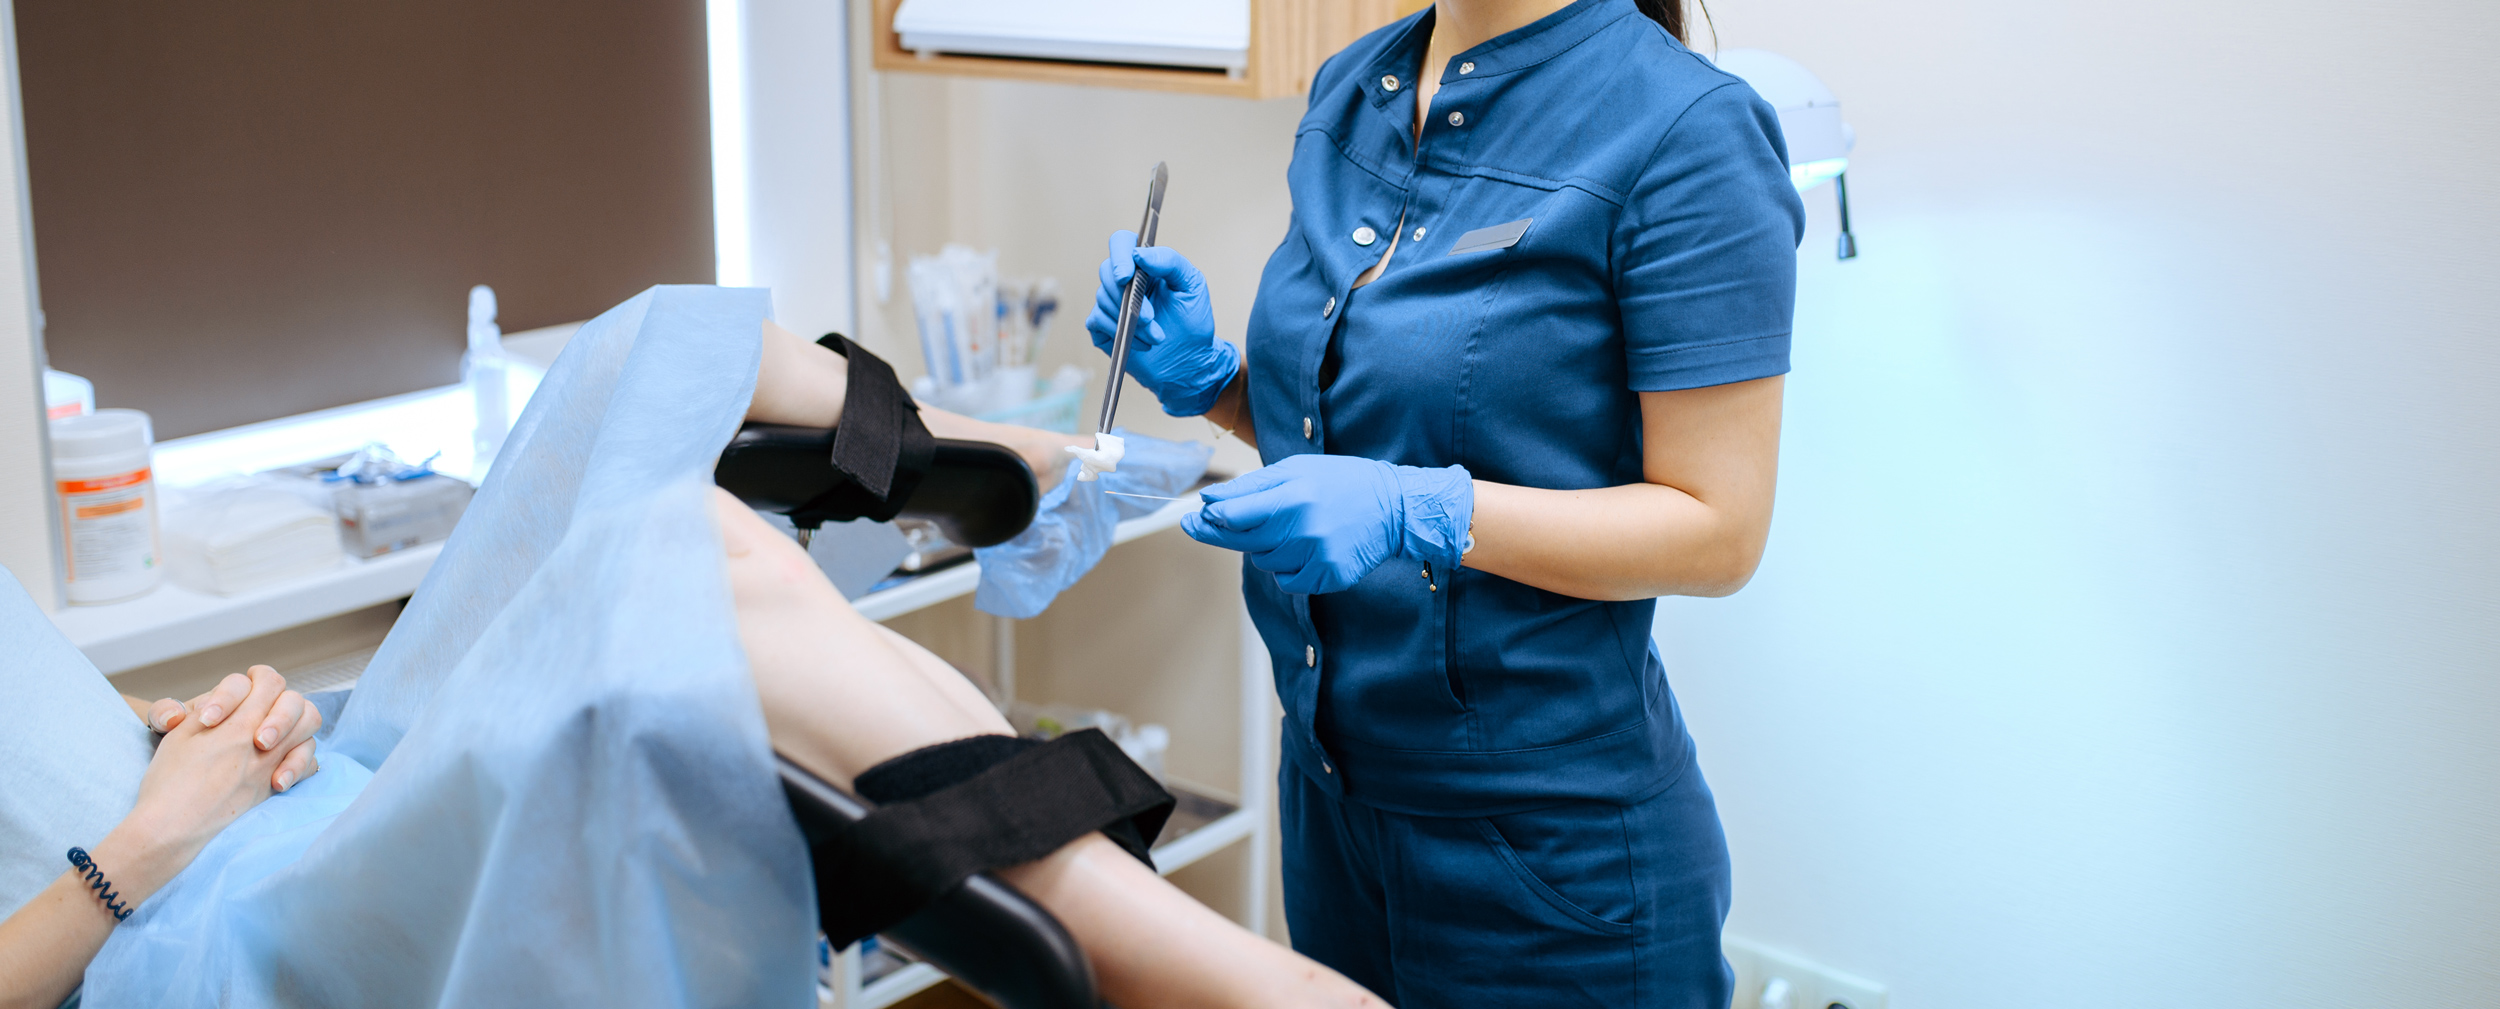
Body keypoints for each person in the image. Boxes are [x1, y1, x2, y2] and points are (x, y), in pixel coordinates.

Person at [0, 310, 1381, 1009]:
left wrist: (187, 722)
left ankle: (1039, 471)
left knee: (640, 350)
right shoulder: (152, 875)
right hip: (184, 930)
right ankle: (1210, 971)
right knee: (662, 565)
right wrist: (145, 842)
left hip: (264, 795)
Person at [1085, 0, 1802, 1004]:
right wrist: (1218, 384)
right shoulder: (1355, 85)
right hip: (1331, 804)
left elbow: (1717, 530)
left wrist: (1417, 511)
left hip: (1549, 859)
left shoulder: (1685, 131)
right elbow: (1369, 423)